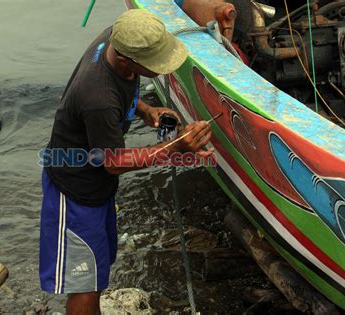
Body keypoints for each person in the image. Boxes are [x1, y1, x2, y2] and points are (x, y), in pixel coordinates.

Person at [39, 9, 214, 314]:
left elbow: (123, 86)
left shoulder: (116, 37)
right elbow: (113, 162)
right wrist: (176, 147)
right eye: (154, 65)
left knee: (99, 264)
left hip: (98, 187)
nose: (160, 71)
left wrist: (146, 110)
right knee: (85, 284)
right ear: (126, 59)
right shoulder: (98, 99)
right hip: (76, 192)